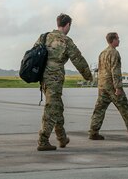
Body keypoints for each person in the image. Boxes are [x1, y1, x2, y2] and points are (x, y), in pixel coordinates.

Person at [37, 13, 93, 151]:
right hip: (54, 78)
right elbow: (78, 59)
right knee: (52, 108)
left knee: (57, 107)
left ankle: (62, 138)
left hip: (44, 78)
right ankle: (43, 140)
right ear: (67, 24)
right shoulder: (66, 41)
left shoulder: (44, 37)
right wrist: (88, 75)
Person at [88, 32, 128, 140]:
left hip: (102, 85)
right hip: (112, 86)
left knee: (99, 109)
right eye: (118, 39)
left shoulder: (102, 53)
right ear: (113, 40)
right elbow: (115, 71)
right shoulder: (114, 53)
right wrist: (118, 87)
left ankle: (93, 131)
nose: (119, 40)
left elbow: (100, 70)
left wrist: (100, 85)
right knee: (124, 107)